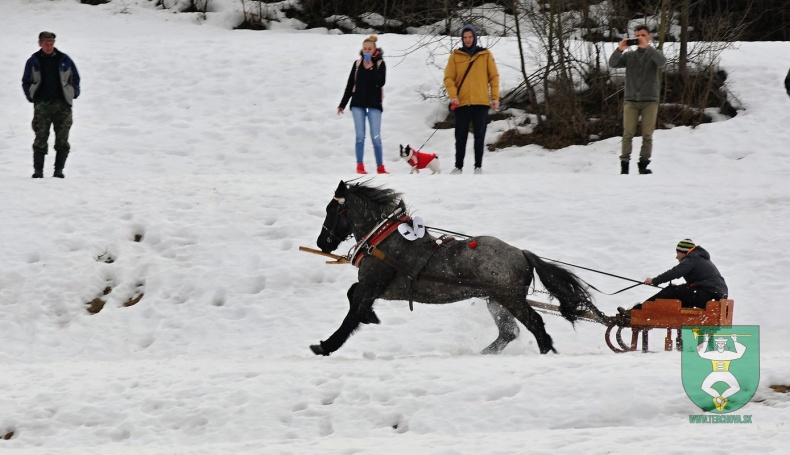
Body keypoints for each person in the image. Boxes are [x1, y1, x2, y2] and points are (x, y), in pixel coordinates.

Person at [618, 239, 728, 319]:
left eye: (677, 253)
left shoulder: (692, 257)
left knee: (670, 291)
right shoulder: (699, 257)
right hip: (712, 295)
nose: (676, 256)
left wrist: (654, 280)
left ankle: (637, 312)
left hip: (707, 294)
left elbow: (675, 272)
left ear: (684, 252)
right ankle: (641, 311)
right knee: (675, 292)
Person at [22, 31, 81, 179]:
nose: (49, 46)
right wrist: (31, 95)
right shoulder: (33, 61)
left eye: (51, 43)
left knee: (62, 138)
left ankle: (58, 170)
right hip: (42, 104)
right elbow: (26, 80)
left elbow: (75, 77)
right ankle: (38, 170)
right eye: (46, 43)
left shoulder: (64, 59)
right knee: (40, 137)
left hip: (63, 104)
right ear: (40, 43)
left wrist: (73, 92)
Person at [608, 24, 666, 175]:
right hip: (631, 100)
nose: (639, 38)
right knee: (628, 133)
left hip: (650, 100)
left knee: (647, 134)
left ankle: (643, 165)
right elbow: (612, 64)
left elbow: (662, 62)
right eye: (637, 36)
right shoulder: (629, 56)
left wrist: (648, 48)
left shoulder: (654, 53)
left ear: (649, 37)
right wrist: (620, 49)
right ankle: (624, 167)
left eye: (642, 35)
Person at [444, 24, 500, 175]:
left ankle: (478, 167)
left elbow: (493, 76)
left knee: (479, 136)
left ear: (475, 37)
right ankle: (458, 166)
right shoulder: (455, 56)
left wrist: (495, 97)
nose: (468, 40)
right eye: (465, 37)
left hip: (481, 102)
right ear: (462, 39)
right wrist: (453, 96)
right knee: (460, 136)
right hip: (461, 103)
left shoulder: (485, 54)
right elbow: (449, 78)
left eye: (470, 37)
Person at [338, 35, 387, 175]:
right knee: (360, 136)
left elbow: (381, 82)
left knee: (376, 136)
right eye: (365, 49)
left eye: (369, 49)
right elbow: (350, 85)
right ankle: (360, 166)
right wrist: (343, 103)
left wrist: (371, 68)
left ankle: (380, 167)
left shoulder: (380, 64)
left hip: (374, 104)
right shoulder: (357, 64)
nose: (367, 51)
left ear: (374, 50)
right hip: (358, 103)